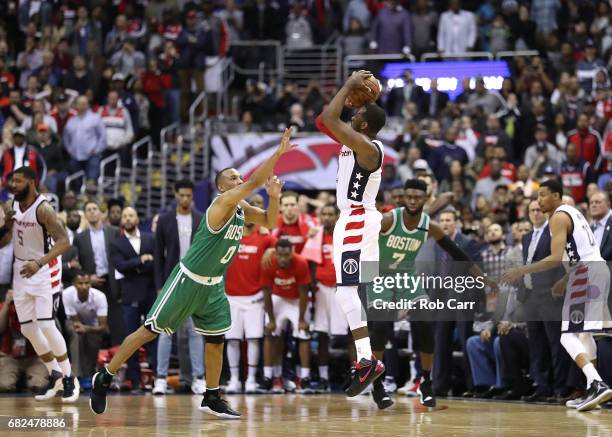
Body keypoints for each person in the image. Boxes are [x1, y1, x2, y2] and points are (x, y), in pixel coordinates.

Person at [90, 128, 296, 419]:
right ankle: (106, 376)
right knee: (148, 332)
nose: (240, 180)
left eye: (240, 177)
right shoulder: (222, 204)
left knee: (216, 340)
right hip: (188, 280)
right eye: (234, 178)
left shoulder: (240, 209)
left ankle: (212, 395)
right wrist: (278, 153)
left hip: (213, 286)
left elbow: (270, 222)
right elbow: (255, 181)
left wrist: (274, 197)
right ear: (223, 188)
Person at [372, 179, 497, 408]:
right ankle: (378, 385)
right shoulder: (389, 220)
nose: (412, 200)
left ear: (425, 198)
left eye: (417, 197)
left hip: (407, 277)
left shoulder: (429, 226)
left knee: (425, 326)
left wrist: (484, 279)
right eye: (408, 196)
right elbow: (361, 243)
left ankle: (426, 383)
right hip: (381, 276)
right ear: (403, 197)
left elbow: (458, 253)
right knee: (380, 328)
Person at [502, 179, 612, 412]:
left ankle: (598, 384)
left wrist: (521, 270)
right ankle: (592, 388)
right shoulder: (573, 213)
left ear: (556, 196)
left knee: (566, 336)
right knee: (583, 336)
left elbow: (554, 258)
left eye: (543, 195)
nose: (539, 200)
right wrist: (564, 280)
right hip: (594, 270)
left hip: (586, 273)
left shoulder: (558, 217)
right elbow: (577, 251)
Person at [316, 70, 388, 396]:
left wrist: (349, 85)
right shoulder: (355, 139)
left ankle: (366, 360)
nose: (352, 113)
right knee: (361, 294)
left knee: (345, 291)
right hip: (362, 223)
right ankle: (369, 361)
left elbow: (327, 118)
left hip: (356, 221)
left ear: (362, 124)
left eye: (357, 113)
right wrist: (357, 97)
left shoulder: (368, 148)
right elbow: (324, 123)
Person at [0, 166, 78, 402]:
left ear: (32, 183)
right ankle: (54, 375)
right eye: (12, 181)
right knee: (28, 329)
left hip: (45, 268)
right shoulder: (11, 206)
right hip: (21, 269)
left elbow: (64, 243)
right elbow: (3, 241)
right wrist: (6, 226)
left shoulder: (44, 209)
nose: (13, 185)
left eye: (19, 181)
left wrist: (39, 262)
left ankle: (69, 379)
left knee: (45, 325)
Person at [153, 179, 205, 395]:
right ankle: (161, 379)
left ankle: (198, 378)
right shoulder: (164, 220)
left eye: (189, 196)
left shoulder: (201, 219)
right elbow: (158, 256)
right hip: (171, 282)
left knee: (195, 332)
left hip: (195, 282)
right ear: (175, 194)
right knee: (165, 332)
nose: (185, 199)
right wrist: (159, 286)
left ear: (192, 196)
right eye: (181, 195)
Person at [224, 198, 275, 394]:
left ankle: (252, 380)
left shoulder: (265, 237)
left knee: (254, 339)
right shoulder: (230, 234)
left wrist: (270, 247)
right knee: (233, 340)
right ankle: (235, 380)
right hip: (232, 297)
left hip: (255, 297)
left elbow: (279, 247)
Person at [110, 207, 156, 393]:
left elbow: (155, 264)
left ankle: (156, 380)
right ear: (121, 220)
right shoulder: (116, 243)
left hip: (151, 294)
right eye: (125, 216)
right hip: (130, 295)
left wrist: (135, 266)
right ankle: (135, 381)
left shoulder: (149, 238)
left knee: (154, 335)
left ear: (137, 218)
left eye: (131, 215)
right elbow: (120, 266)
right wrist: (141, 261)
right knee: (131, 339)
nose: (128, 219)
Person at [261, 238, 312, 393]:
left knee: (303, 333)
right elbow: (267, 293)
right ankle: (270, 377)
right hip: (278, 297)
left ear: (292, 253)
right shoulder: (268, 262)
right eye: (280, 255)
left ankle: (304, 377)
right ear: (275, 253)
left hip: (297, 300)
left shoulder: (301, 263)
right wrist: (271, 319)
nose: (283, 259)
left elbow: (304, 294)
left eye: (286, 255)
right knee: (271, 333)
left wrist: (302, 319)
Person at [309, 204, 348, 393]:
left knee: (350, 333)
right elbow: (309, 263)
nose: (326, 218)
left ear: (337, 216)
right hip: (321, 289)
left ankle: (355, 375)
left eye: (330, 214)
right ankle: (323, 377)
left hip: (342, 288)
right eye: (323, 214)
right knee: (322, 334)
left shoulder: (345, 234)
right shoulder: (314, 236)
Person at [62, 272, 108, 388]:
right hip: (74, 323)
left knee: (94, 337)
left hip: (93, 326)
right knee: (77, 335)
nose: (84, 286)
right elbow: (76, 323)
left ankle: (90, 373)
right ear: (74, 284)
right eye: (80, 283)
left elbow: (103, 327)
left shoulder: (100, 296)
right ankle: (76, 376)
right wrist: (83, 328)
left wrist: (87, 329)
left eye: (87, 283)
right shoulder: (67, 294)